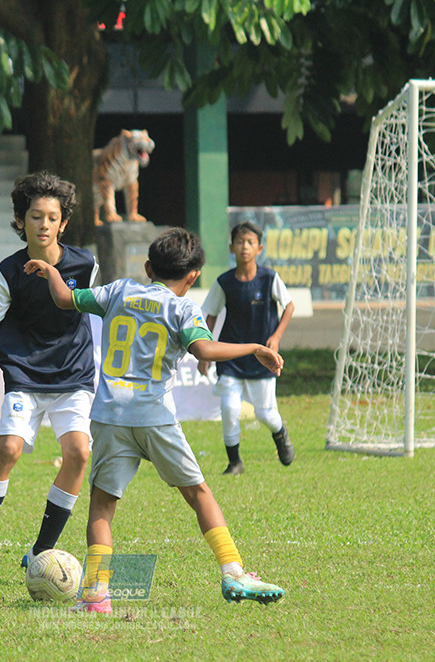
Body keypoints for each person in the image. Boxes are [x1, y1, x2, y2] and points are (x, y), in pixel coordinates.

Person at [25, 227, 287, 613]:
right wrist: (254, 347)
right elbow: (205, 349)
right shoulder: (182, 308)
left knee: (102, 506)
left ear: (148, 266)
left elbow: (66, 299)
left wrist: (51, 271)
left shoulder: (119, 291)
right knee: (198, 494)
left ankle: (97, 595)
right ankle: (232, 571)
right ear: (193, 276)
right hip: (155, 416)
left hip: (110, 417)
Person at [0, 171, 97, 585]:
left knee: (79, 454)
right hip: (25, 375)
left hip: (74, 375)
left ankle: (40, 551)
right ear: (21, 221)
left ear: (63, 224)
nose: (43, 224)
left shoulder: (85, 265)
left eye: (51, 217)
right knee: (9, 449)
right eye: (35, 216)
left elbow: (101, 309)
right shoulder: (7, 273)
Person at [197, 220, 295, 475]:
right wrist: (205, 349)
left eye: (250, 242)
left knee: (265, 414)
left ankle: (280, 432)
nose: (245, 247)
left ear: (259, 248)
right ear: (231, 247)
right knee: (229, 409)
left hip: (262, 358)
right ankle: (234, 462)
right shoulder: (224, 282)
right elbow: (210, 315)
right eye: (240, 242)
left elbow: (289, 306)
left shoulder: (269, 278)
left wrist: (275, 337)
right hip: (230, 356)